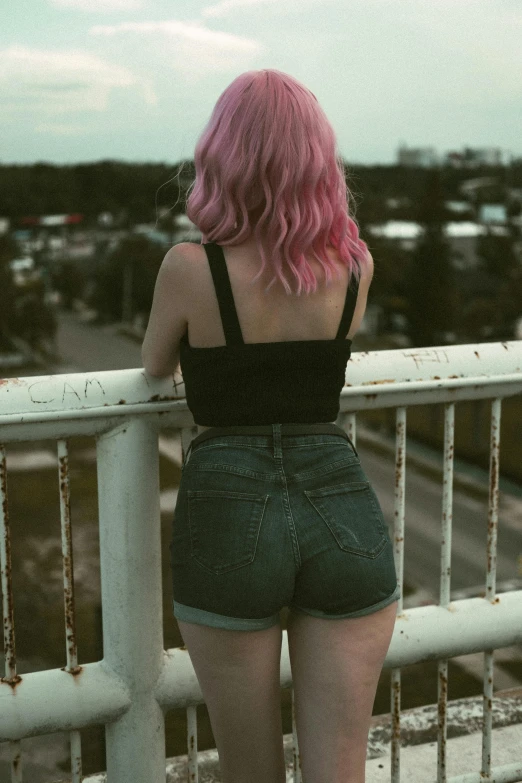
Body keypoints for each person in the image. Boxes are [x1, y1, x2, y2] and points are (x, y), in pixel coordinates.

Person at [142, 69, 399, 783]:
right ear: (320, 161)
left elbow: (155, 362)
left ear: (221, 156)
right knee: (339, 771)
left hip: (229, 506)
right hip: (340, 501)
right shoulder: (355, 265)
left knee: (248, 769)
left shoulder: (190, 268)